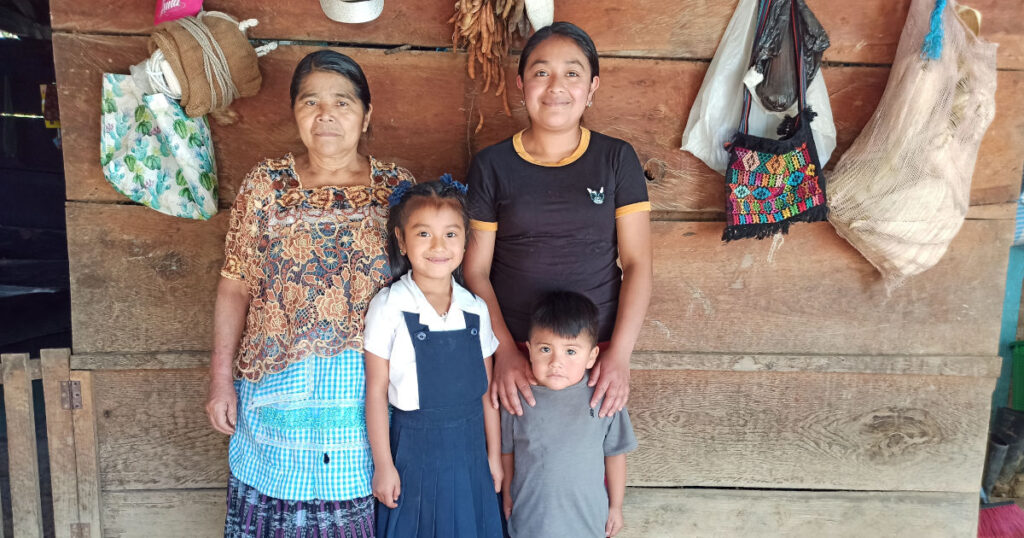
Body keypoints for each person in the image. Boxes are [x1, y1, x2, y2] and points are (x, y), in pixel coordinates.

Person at [204, 49, 415, 537]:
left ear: (366, 116)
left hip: (365, 388)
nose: (326, 115)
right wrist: (220, 379)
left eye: (342, 102)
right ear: (295, 112)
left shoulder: (396, 190)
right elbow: (235, 284)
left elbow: (420, 287)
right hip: (275, 389)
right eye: (310, 101)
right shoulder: (265, 186)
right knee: (275, 503)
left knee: (357, 496)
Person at [464, 21, 653, 421]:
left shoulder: (616, 159)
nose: (556, 86)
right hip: (517, 354)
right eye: (540, 72)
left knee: (585, 471)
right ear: (521, 84)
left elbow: (638, 264)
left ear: (592, 87)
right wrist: (503, 353)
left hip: (590, 358)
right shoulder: (492, 165)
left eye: (572, 73)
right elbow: (476, 271)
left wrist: (618, 355)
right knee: (515, 470)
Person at [362, 177, 504, 537]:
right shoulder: (389, 305)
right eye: (424, 234)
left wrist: (494, 456)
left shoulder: (475, 309)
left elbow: (486, 392)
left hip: (471, 452)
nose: (438, 246)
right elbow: (376, 391)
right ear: (401, 239)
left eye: (451, 234)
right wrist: (384, 465)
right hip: (415, 454)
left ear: (465, 239)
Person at [501, 291, 638, 537]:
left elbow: (615, 454)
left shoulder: (604, 396)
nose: (556, 362)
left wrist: (616, 506)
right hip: (530, 521)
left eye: (571, 351)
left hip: (587, 521)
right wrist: (508, 494)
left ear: (592, 356)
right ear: (529, 350)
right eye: (545, 349)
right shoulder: (517, 396)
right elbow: (507, 452)